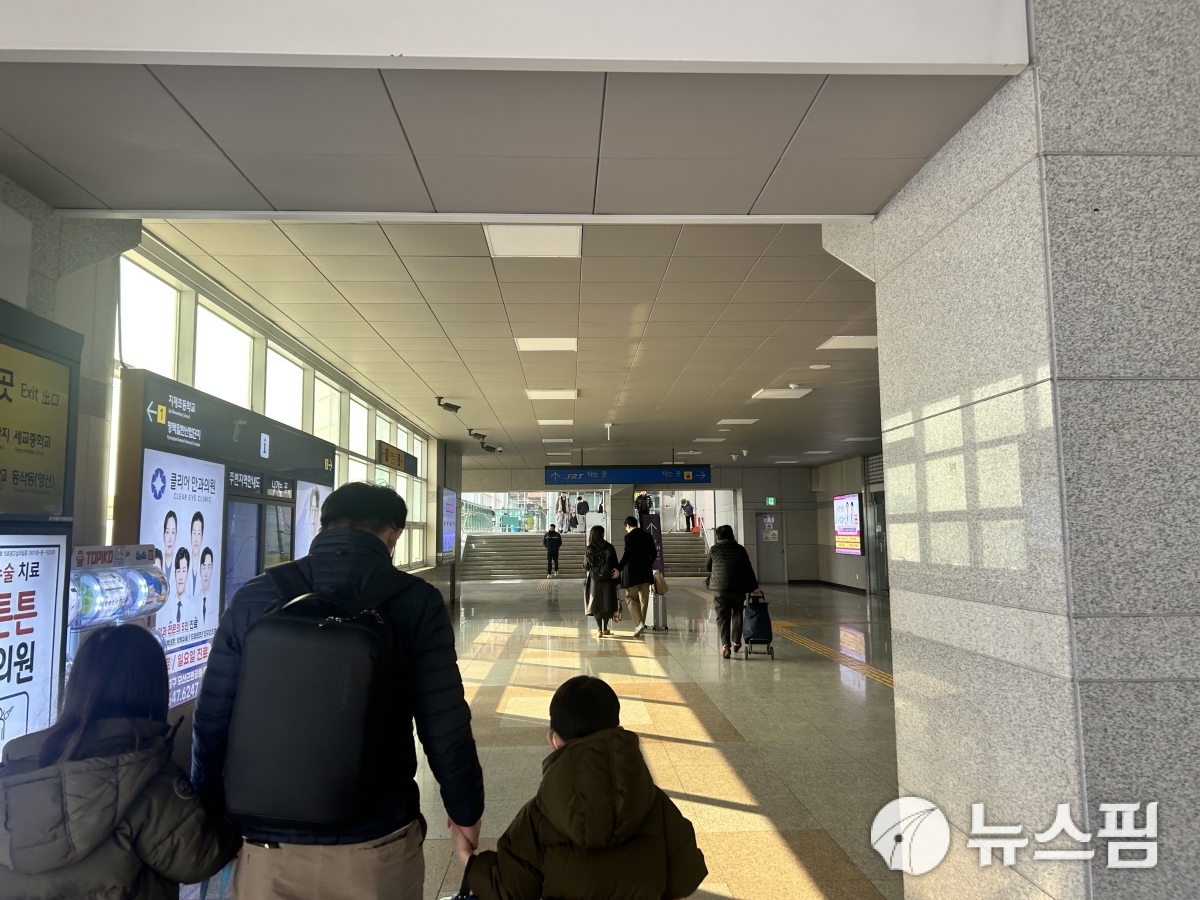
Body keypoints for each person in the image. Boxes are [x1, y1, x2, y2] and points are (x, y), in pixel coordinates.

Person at [192, 482, 484, 900]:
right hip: (375, 841)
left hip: (266, 843)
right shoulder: (417, 602)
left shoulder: (255, 596)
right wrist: (465, 810)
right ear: (393, 535)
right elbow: (444, 722)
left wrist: (210, 813)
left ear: (323, 526)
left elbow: (213, 717)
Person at [0, 625, 241, 898]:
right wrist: (233, 826)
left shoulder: (13, 769)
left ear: (76, 684)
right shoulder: (149, 777)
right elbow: (199, 857)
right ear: (152, 689)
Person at [457, 676, 707, 900]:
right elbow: (685, 879)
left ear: (554, 740)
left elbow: (509, 889)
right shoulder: (655, 804)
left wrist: (466, 856)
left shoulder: (539, 815)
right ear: (618, 731)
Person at [706, 524, 761, 660]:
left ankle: (726, 646)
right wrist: (754, 586)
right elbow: (748, 569)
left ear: (718, 536)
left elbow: (708, 567)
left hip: (720, 589)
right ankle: (736, 642)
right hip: (738, 588)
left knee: (722, 618)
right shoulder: (740, 549)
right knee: (737, 614)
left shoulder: (714, 549)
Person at [614, 515, 657, 638]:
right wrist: (648, 564)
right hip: (645, 573)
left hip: (632, 573)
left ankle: (639, 624)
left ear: (628, 526)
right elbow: (654, 553)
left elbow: (627, 554)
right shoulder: (648, 536)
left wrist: (619, 568)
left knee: (631, 598)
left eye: (626, 528)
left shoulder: (629, 537)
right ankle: (641, 624)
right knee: (644, 600)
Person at [584, 525, 619, 638]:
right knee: (607, 602)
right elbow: (615, 565)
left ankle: (599, 630)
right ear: (602, 534)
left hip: (594, 580)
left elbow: (586, 566)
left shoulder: (589, 549)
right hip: (608, 579)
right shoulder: (609, 547)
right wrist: (618, 581)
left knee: (596, 603)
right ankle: (605, 628)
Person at [188, 511, 204, 599]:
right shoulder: (184, 565)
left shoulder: (205, 567)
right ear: (190, 535)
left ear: (202, 537)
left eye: (199, 533)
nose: (196, 539)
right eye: (194, 533)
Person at [173, 547, 190, 624]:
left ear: (187, 573)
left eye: (183, 571)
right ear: (175, 573)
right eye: (178, 571)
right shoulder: (167, 608)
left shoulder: (193, 607)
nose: (180, 577)